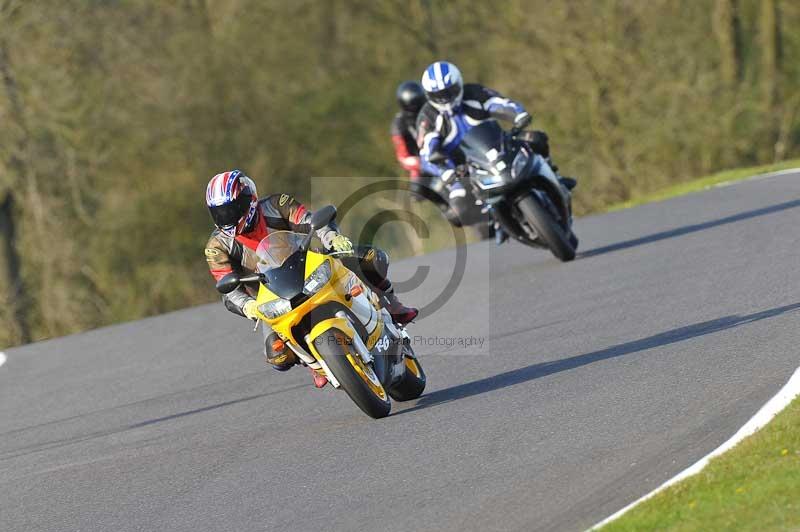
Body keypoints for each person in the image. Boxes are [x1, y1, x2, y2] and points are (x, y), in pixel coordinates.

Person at [204, 170, 418, 388]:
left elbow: (311, 221)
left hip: (311, 264)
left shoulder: (277, 204)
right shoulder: (217, 247)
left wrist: (333, 238)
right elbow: (227, 289)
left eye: (231, 210)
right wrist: (249, 307)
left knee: (373, 258)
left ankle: (390, 303)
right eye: (220, 214)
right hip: (272, 296)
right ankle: (319, 362)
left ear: (249, 200)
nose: (227, 218)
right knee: (277, 356)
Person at [416, 61, 576, 239]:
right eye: (438, 95)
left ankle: (555, 177)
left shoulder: (474, 93)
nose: (445, 99)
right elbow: (426, 153)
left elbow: (499, 103)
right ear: (429, 95)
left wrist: (518, 114)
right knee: (460, 207)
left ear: (458, 84)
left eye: (449, 92)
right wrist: (445, 171)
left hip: (498, 147)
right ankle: (496, 221)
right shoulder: (427, 118)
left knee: (536, 138)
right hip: (465, 169)